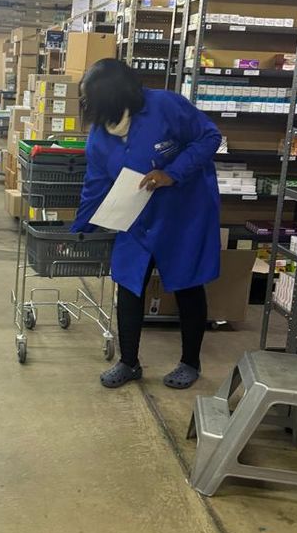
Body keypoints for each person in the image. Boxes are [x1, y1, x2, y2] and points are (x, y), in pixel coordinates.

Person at [71, 59, 222, 390]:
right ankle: (129, 362)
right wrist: (78, 229)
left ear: (113, 96)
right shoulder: (99, 136)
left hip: (183, 213)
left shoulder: (165, 106)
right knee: (128, 283)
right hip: (136, 217)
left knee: (187, 284)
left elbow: (209, 137)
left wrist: (172, 173)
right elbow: (95, 185)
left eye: (90, 98)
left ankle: (190, 362)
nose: (86, 104)